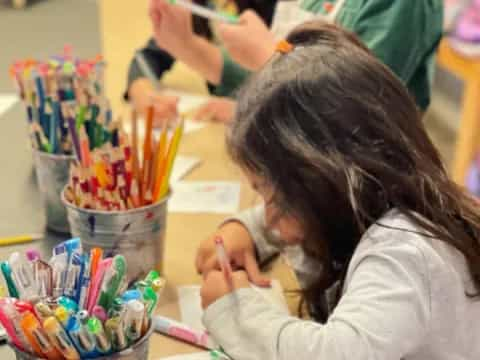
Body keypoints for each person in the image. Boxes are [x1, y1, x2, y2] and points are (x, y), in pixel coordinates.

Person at [195, 22, 480, 359]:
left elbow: (333, 354)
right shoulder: (376, 198)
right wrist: (244, 230)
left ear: (328, 183)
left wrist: (235, 310)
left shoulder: (403, 254)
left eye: (276, 198)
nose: (270, 218)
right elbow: (284, 217)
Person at [150, 0, 443, 123]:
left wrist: (270, 55)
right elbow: (272, 80)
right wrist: (187, 46)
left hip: (356, 201)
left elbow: (352, 111)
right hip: (296, 180)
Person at [127, 0, 277, 125]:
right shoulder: (201, 4)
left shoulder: (274, 8)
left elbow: (289, 82)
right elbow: (150, 55)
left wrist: (245, 110)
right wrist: (142, 92)